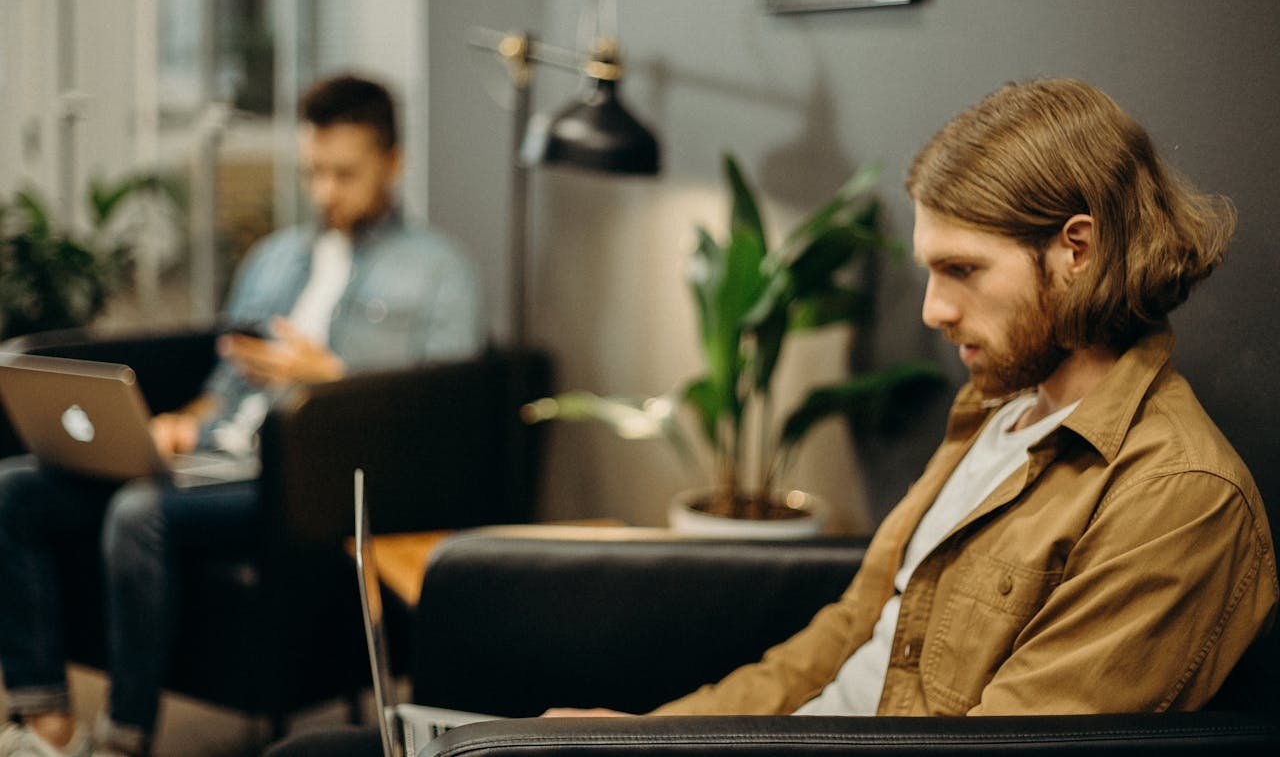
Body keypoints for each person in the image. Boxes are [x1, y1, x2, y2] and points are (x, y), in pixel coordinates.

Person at [264, 76, 1276, 757]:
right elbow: (841, 636)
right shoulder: (998, 411)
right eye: (929, 271)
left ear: (1077, 249)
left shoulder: (1173, 501)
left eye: (961, 272)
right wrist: (646, 736)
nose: (931, 311)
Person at [0, 74, 484, 757]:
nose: (325, 192)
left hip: (301, 481)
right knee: (16, 489)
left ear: (393, 162)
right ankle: (45, 721)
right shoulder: (275, 257)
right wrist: (176, 422)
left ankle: (121, 739)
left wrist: (328, 379)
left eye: (345, 173)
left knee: (142, 511)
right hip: (213, 458)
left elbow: (442, 409)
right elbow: (225, 381)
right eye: (313, 171)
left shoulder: (441, 271)